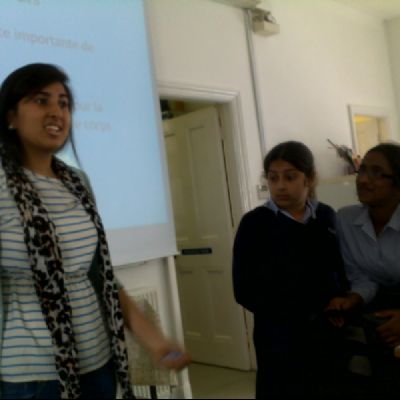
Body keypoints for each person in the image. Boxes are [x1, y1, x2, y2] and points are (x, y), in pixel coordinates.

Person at [0, 63, 190, 399]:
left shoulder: (76, 181)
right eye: (41, 101)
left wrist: (155, 341)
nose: (57, 112)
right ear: (10, 116)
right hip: (33, 376)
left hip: (98, 363)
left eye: (63, 103)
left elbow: (99, 275)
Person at [232, 141, 348, 400]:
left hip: (326, 329)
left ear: (310, 178)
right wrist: (291, 313)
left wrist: (339, 299)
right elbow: (243, 288)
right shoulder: (254, 223)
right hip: (278, 334)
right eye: (273, 178)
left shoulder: (326, 216)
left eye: (290, 177)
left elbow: (338, 269)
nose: (280, 186)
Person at [326, 143, 400, 399]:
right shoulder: (346, 220)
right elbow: (361, 276)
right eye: (363, 170)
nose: (364, 179)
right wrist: (353, 298)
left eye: (377, 173)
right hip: (380, 311)